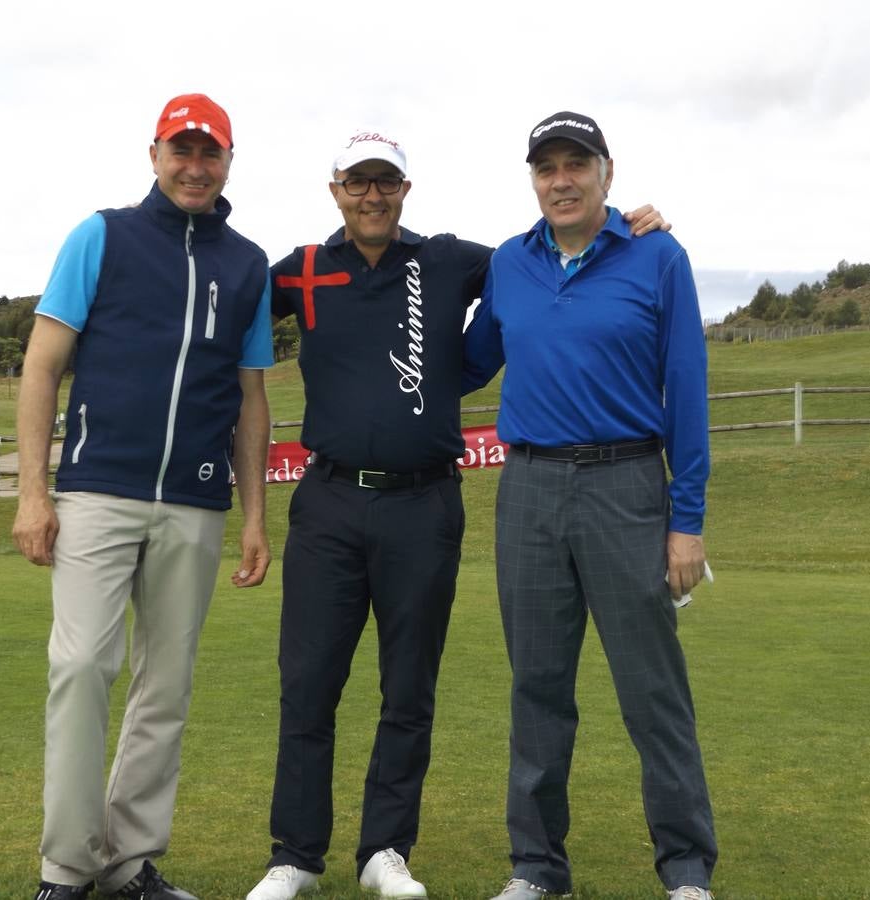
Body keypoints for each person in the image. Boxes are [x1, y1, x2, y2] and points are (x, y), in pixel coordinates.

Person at [245, 130, 667, 900]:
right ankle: (296, 855)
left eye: (387, 182)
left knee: (409, 688)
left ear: (407, 188)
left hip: (425, 503)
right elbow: (225, 302)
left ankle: (385, 851)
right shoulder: (301, 270)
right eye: (358, 182)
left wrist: (629, 223)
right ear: (334, 188)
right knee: (308, 684)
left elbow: (546, 249)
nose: (373, 195)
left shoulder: (451, 260)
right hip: (330, 502)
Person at [12, 93, 274, 900]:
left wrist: (256, 515)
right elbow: (42, 367)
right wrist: (33, 493)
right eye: (181, 150)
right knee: (83, 664)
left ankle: (127, 863)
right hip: (97, 490)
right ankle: (68, 866)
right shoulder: (102, 236)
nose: (195, 167)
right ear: (154, 154)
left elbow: (251, 398)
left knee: (166, 685)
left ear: (229, 161)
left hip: (194, 504)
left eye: (211, 153)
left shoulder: (247, 263)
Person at [462, 111, 717, 900]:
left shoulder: (657, 256)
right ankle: (537, 868)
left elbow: (688, 394)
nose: (561, 180)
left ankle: (684, 868)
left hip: (628, 487)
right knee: (537, 686)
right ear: (533, 179)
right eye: (547, 168)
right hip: (530, 489)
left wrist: (687, 521)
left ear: (607, 171)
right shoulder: (510, 263)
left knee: (652, 688)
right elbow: (464, 363)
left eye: (577, 164)